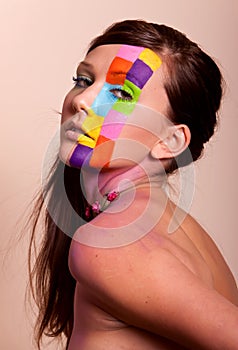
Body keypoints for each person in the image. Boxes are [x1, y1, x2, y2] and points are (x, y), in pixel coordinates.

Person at [28, 19, 238, 349]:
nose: (82, 100)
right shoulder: (178, 232)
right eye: (84, 80)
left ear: (169, 141)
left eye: (121, 92)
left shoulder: (111, 243)